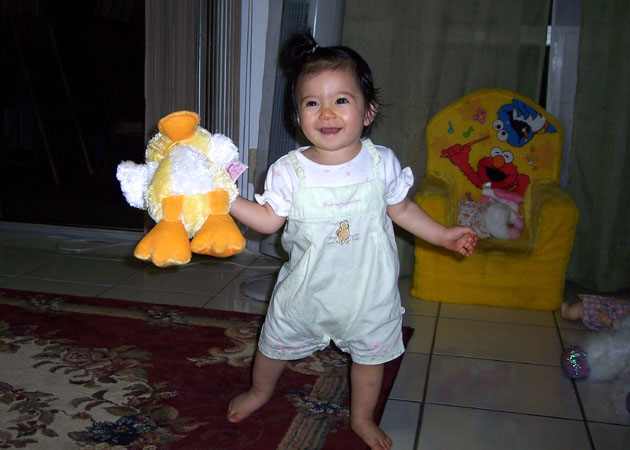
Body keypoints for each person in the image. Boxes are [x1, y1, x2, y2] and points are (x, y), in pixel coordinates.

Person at [227, 32, 478, 450]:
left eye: (341, 100)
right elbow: (268, 221)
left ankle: (361, 416)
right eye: (312, 103)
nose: (327, 112)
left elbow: (402, 209)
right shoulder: (288, 171)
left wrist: (443, 234)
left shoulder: (382, 163)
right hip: (306, 290)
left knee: (370, 358)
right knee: (274, 345)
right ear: (297, 116)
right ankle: (259, 391)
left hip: (368, 293)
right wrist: (227, 199)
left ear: (368, 111)